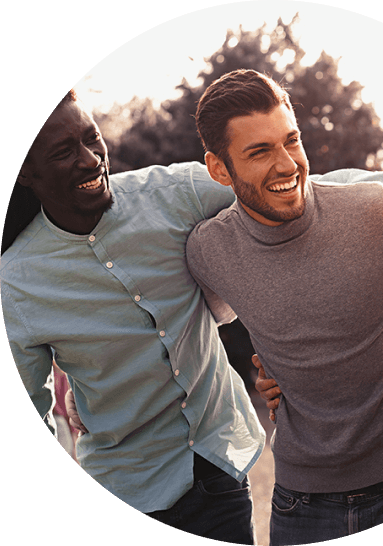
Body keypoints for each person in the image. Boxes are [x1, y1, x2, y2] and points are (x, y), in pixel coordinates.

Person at [186, 69, 383, 545]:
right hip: (302, 505)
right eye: (259, 151)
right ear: (219, 169)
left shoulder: (375, 211)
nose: (287, 165)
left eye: (291, 140)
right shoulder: (209, 250)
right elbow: (183, 330)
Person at [1, 90, 265, 543]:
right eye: (65, 152)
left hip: (219, 467)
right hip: (127, 488)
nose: (90, 160)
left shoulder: (171, 195)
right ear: (26, 172)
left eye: (91, 138)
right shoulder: (17, 284)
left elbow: (283, 186)